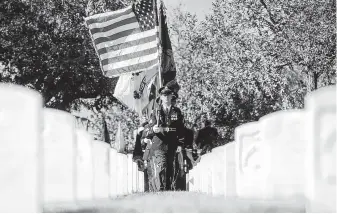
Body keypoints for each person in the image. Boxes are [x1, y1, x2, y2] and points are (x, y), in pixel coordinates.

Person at [145, 86, 185, 191]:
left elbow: (181, 129)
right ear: (161, 97)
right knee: (162, 165)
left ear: (172, 95)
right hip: (159, 142)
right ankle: (161, 188)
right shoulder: (156, 111)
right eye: (164, 95)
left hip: (172, 142)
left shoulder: (177, 111)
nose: (166, 97)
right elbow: (150, 126)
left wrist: (180, 144)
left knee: (171, 167)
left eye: (168, 94)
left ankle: (168, 189)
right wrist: (154, 128)